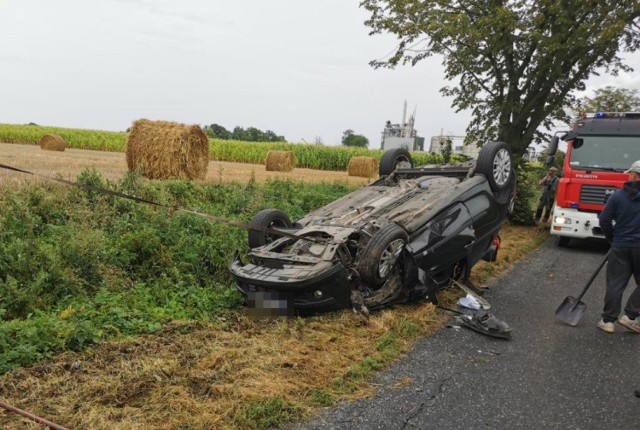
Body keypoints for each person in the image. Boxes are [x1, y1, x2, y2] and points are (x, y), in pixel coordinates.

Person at [596, 160, 640, 333]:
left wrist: (612, 238)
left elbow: (604, 220)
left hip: (621, 245)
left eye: (630, 173)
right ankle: (630, 316)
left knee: (615, 283)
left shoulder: (618, 196)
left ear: (635, 175)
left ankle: (608, 321)